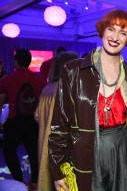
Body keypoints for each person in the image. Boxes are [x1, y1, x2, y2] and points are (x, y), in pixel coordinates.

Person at [48, 9, 127, 191]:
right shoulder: (73, 71)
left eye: (123, 33)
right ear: (102, 30)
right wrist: (57, 168)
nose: (115, 37)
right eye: (111, 29)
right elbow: (59, 123)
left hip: (123, 151)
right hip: (86, 151)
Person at [0, 49, 47, 190]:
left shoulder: (6, 80)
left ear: (16, 62)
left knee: (9, 150)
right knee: (33, 152)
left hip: (14, 120)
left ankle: (19, 180)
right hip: (33, 121)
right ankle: (35, 182)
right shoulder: (40, 79)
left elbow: (0, 103)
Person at [35, 51, 78, 191]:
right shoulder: (69, 89)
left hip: (45, 144)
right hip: (63, 147)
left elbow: (36, 116)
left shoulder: (47, 88)